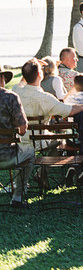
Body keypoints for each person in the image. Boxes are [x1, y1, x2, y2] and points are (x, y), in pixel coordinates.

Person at [0, 63, 35, 208]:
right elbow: (22, 129)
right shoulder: (11, 97)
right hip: (7, 156)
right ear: (2, 78)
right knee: (31, 152)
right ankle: (18, 196)